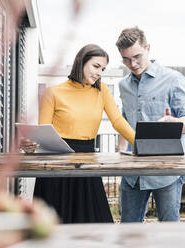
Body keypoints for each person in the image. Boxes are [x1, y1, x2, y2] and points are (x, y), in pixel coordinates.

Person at [33, 44, 135, 223]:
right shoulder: (53, 92)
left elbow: (117, 121)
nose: (99, 73)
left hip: (87, 160)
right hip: (56, 161)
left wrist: (141, 142)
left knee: (96, 225)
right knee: (53, 225)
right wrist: (31, 144)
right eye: (96, 66)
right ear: (81, 62)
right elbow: (43, 131)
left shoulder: (102, 91)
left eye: (102, 69)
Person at [116, 26, 185, 222]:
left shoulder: (173, 80)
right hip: (132, 172)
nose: (133, 64)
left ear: (148, 48)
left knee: (168, 232)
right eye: (126, 59)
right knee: (128, 229)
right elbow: (125, 120)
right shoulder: (123, 85)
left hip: (167, 171)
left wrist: (175, 123)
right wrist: (119, 155)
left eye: (137, 56)